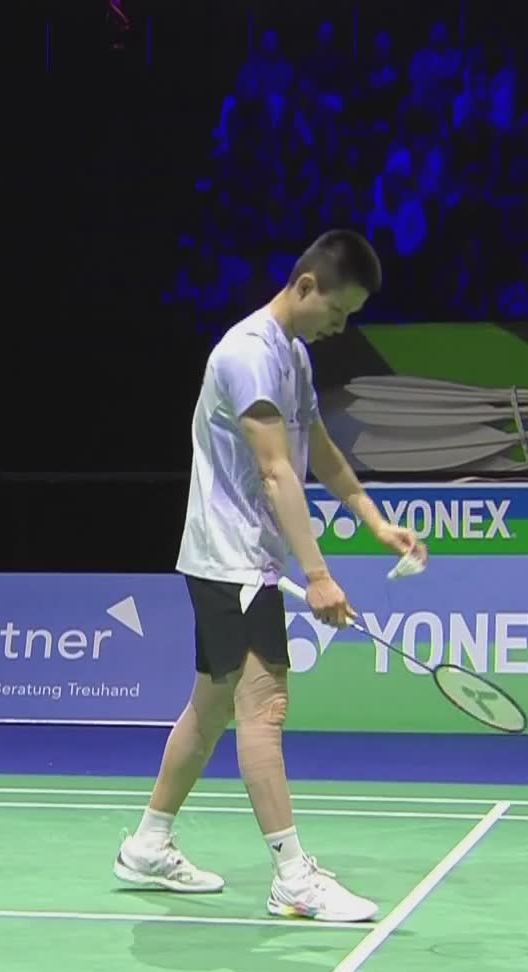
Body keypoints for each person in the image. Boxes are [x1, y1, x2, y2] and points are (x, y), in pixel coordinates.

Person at [115, 228, 422, 923]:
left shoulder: (293, 355)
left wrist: (374, 521)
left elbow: (319, 449)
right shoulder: (249, 354)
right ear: (306, 285)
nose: (341, 326)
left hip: (236, 560)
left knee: (213, 708)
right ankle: (292, 877)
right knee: (265, 708)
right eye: (338, 310)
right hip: (233, 561)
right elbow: (276, 469)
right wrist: (318, 576)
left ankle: (147, 844)